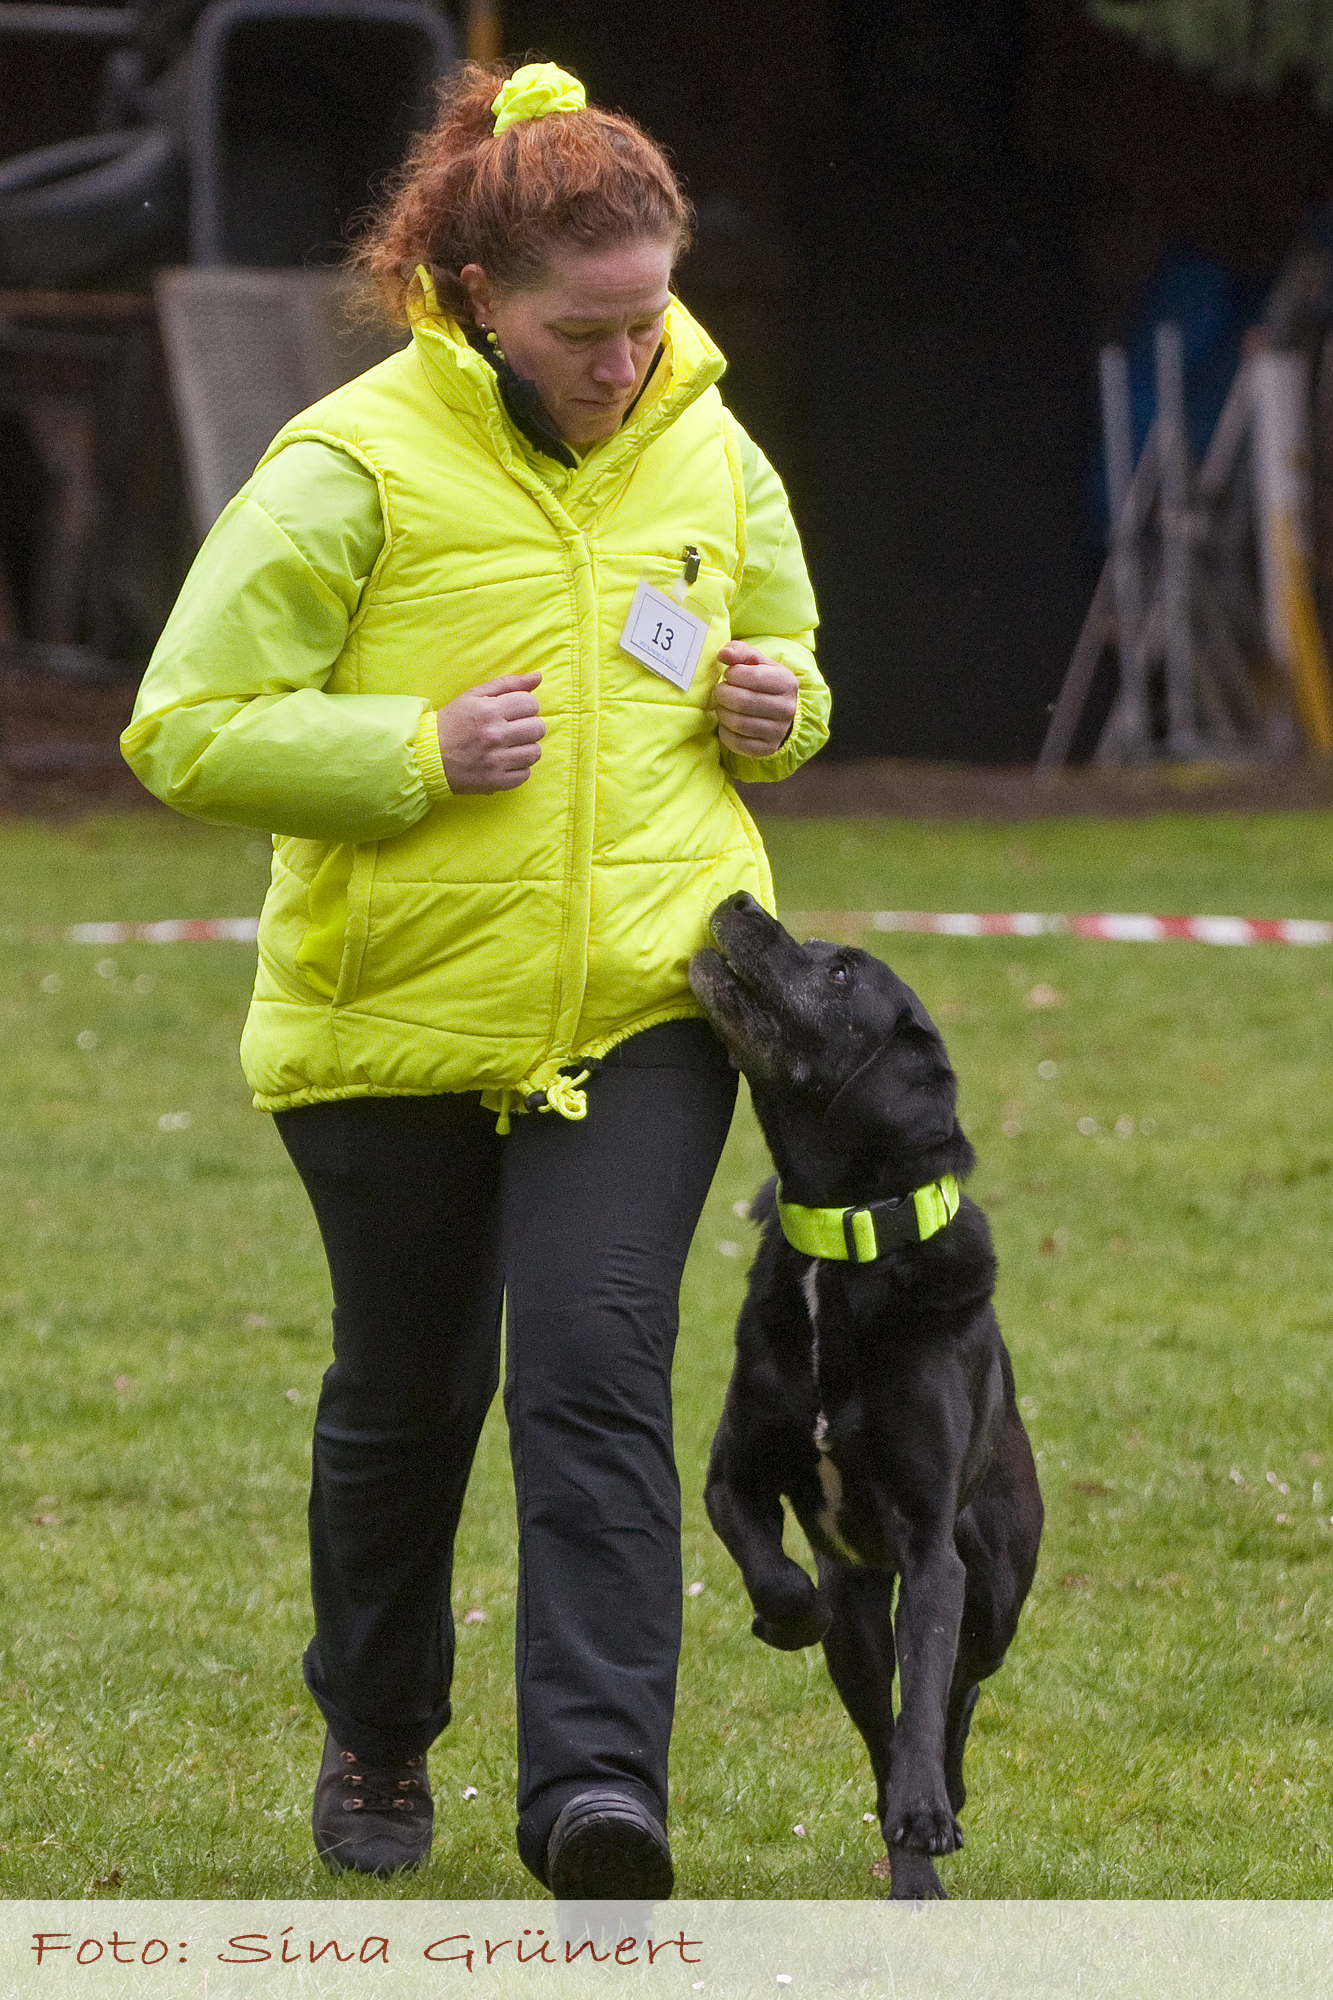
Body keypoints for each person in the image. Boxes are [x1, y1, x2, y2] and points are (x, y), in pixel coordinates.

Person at [121, 58, 830, 1896]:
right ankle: (375, 1727)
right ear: (477, 305)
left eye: (652, 319)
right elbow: (185, 730)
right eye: (585, 332)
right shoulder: (344, 463)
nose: (627, 363)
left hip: (647, 999)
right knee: (409, 1391)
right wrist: (414, 751)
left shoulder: (709, 438)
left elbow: (786, 660)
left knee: (594, 1367)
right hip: (391, 1014)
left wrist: (779, 706)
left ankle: (599, 1799)